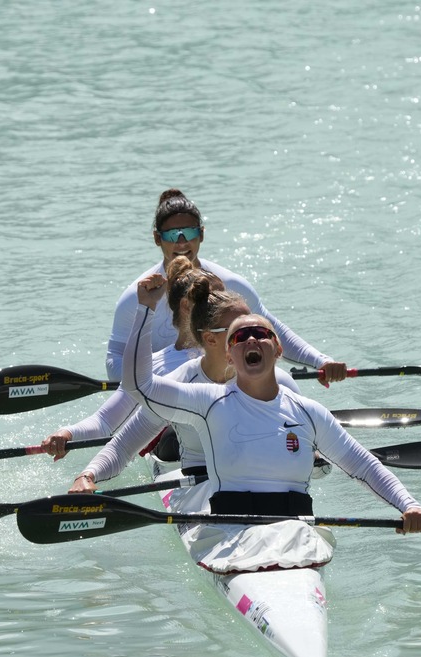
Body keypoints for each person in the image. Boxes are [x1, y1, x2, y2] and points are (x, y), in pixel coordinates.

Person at [123, 272, 421, 573]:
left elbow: (363, 466)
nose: (251, 339)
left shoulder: (309, 412)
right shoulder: (206, 402)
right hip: (231, 538)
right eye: (240, 337)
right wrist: (145, 310)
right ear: (229, 354)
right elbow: (140, 387)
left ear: (278, 350)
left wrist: (408, 505)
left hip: (297, 537)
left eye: (261, 334)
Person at [66, 276, 308, 513]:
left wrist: (312, 456)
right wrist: (87, 475)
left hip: (269, 489)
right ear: (210, 338)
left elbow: (314, 453)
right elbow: (124, 444)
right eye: (239, 332)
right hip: (200, 491)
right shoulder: (182, 382)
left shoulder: (281, 383)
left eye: (257, 329)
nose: (252, 336)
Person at [104, 189, 348, 387]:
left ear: (201, 234)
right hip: (166, 402)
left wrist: (321, 361)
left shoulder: (230, 285)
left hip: (226, 392)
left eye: (189, 232)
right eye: (171, 235)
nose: (181, 241)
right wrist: (158, 387)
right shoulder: (135, 298)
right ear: (158, 239)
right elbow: (115, 360)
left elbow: (274, 332)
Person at [39, 257, 217, 459]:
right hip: (175, 453)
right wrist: (67, 434)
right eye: (217, 298)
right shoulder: (153, 366)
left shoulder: (238, 352)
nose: (226, 304)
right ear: (186, 306)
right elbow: (105, 422)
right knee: (171, 436)